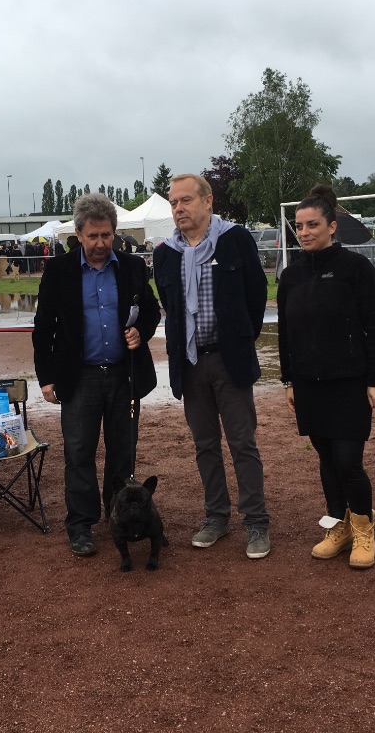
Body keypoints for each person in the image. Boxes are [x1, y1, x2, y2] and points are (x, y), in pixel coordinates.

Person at [33, 193, 161, 557]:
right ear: (78, 234)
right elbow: (43, 330)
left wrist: (142, 332)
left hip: (125, 375)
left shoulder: (134, 268)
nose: (100, 244)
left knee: (123, 454)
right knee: (79, 453)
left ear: (115, 233)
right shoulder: (59, 271)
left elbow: (150, 311)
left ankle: (118, 517)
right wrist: (46, 378)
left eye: (106, 236)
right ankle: (81, 524)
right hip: (80, 378)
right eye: (93, 236)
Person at [152, 173, 271, 560]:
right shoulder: (164, 252)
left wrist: (238, 340)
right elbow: (169, 307)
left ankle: (256, 522)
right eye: (173, 203)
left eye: (185, 200)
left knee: (242, 443)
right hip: (189, 364)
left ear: (208, 201)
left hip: (228, 360)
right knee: (205, 446)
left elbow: (256, 297)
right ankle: (216, 517)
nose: (178, 209)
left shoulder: (235, 240)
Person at [277, 184, 375, 570]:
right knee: (326, 460)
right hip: (309, 385)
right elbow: (287, 335)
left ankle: (364, 528)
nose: (305, 232)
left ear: (331, 226)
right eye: (299, 226)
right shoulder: (290, 277)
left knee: (348, 460)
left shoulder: (355, 270)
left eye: (312, 225)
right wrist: (289, 380)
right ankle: (338, 527)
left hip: (349, 383)